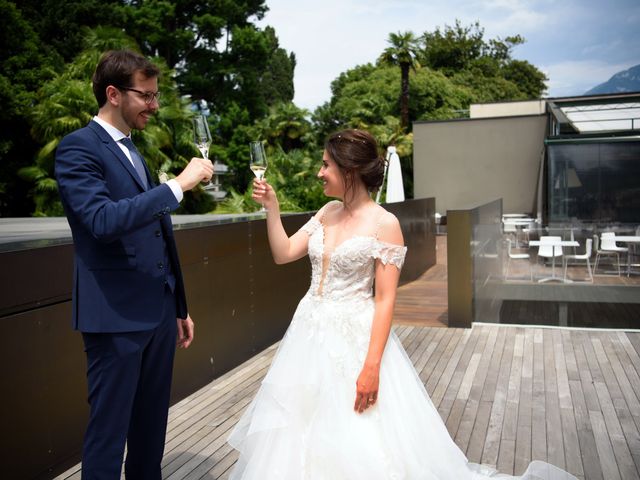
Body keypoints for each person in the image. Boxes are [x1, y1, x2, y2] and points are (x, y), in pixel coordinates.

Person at [227, 129, 577, 480]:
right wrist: (271, 209)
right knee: (301, 428)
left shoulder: (385, 224)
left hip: (355, 340)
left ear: (349, 171)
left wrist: (371, 368)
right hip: (308, 334)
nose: (320, 172)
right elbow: (283, 252)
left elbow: (385, 299)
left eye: (325, 165)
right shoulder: (326, 211)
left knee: (357, 434)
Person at [55, 49, 213, 479]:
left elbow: (156, 235)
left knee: (150, 431)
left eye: (155, 95)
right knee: (109, 435)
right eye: (146, 95)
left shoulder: (133, 152)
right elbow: (102, 222)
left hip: (158, 312)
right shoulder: (78, 148)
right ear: (113, 93)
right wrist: (177, 185)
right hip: (115, 317)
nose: (154, 105)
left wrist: (177, 305)